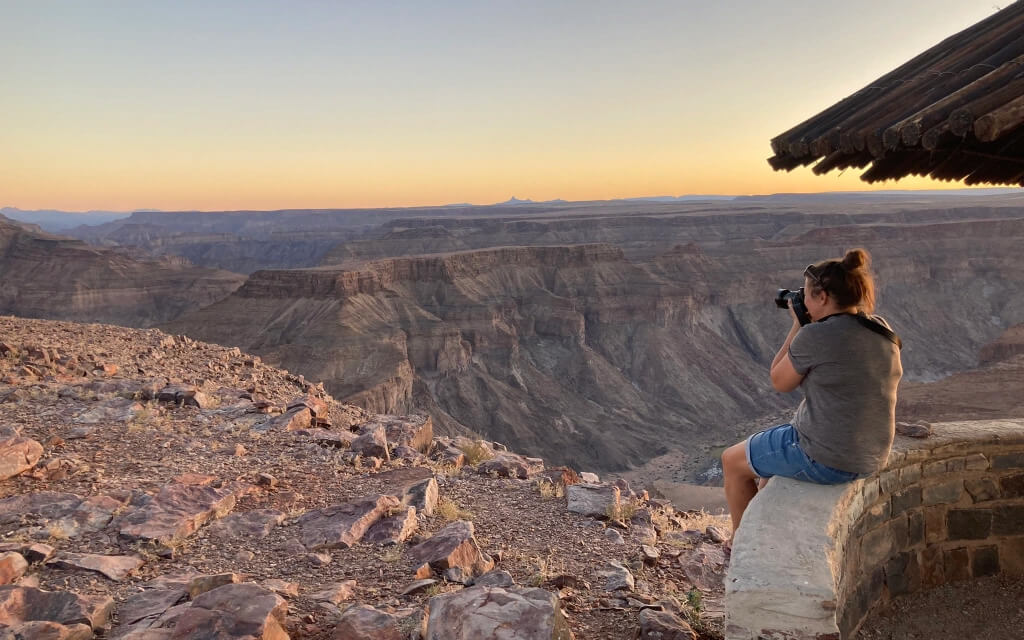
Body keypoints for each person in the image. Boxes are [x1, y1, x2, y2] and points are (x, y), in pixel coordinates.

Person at [721, 248, 903, 540]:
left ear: (822, 298)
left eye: (805, 294)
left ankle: (742, 546)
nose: (801, 300)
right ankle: (766, 531)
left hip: (827, 457)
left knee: (732, 461)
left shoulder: (816, 335)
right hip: (872, 454)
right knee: (767, 472)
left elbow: (779, 381)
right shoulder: (880, 327)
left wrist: (798, 325)